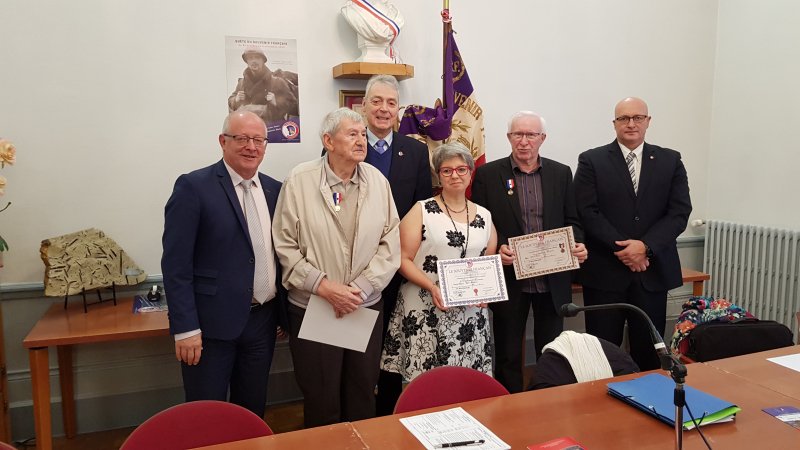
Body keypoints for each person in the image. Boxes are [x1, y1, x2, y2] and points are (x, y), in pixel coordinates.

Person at [272, 107, 400, 427]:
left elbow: (390, 242)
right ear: (328, 140)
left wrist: (360, 289)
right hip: (315, 306)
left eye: (363, 134)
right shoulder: (299, 180)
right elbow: (285, 245)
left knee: (360, 394)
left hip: (362, 305)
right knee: (322, 397)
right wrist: (326, 287)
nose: (361, 140)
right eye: (352, 133)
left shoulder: (377, 181)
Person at [161, 110, 284, 417]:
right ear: (223, 141)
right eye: (241, 138)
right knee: (207, 414)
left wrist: (282, 313)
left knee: (252, 410)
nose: (251, 147)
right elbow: (176, 266)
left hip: (262, 323)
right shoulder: (193, 187)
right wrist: (185, 328)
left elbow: (280, 254)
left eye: (258, 140)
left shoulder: (275, 190)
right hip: (210, 327)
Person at [471, 111, 588, 393]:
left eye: (531, 135)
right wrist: (496, 249)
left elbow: (573, 220)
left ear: (542, 139)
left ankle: (546, 401)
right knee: (509, 352)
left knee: (552, 349)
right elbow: (479, 223)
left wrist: (578, 245)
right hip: (509, 277)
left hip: (553, 278)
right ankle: (508, 404)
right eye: (517, 135)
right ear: (509, 138)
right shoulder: (488, 175)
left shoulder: (561, 173)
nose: (524, 142)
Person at [574, 97, 692, 370]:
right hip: (605, 273)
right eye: (623, 118)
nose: (631, 124)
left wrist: (645, 246)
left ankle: (647, 401)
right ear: (614, 123)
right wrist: (626, 250)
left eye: (637, 118)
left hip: (651, 271)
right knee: (603, 352)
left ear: (648, 121)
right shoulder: (592, 160)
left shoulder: (670, 160)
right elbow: (587, 211)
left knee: (649, 350)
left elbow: (679, 212)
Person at [380, 142, 498, 383]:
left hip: (469, 314)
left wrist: (487, 290)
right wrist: (432, 287)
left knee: (466, 382)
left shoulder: (485, 215)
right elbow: (402, 258)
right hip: (425, 307)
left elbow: (488, 260)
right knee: (425, 384)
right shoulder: (421, 210)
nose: (455, 175)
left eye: (461, 169)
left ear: (470, 172)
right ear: (438, 175)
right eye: (447, 170)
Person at [360, 74, 433, 415]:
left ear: (399, 111)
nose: (384, 109)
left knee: (393, 340)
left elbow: (421, 208)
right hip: (355, 267)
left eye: (391, 103)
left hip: (400, 266)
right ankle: (358, 407)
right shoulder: (348, 144)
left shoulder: (417, 151)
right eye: (377, 101)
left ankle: (387, 410)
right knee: (359, 343)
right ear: (363, 106)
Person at [228, 48, 298, 124]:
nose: (254, 61)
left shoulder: (277, 81)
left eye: (257, 58)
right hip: (248, 127)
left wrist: (276, 102)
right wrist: (235, 100)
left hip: (272, 128)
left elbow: (292, 103)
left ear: (263, 61)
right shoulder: (241, 82)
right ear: (247, 61)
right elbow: (230, 101)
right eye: (250, 58)